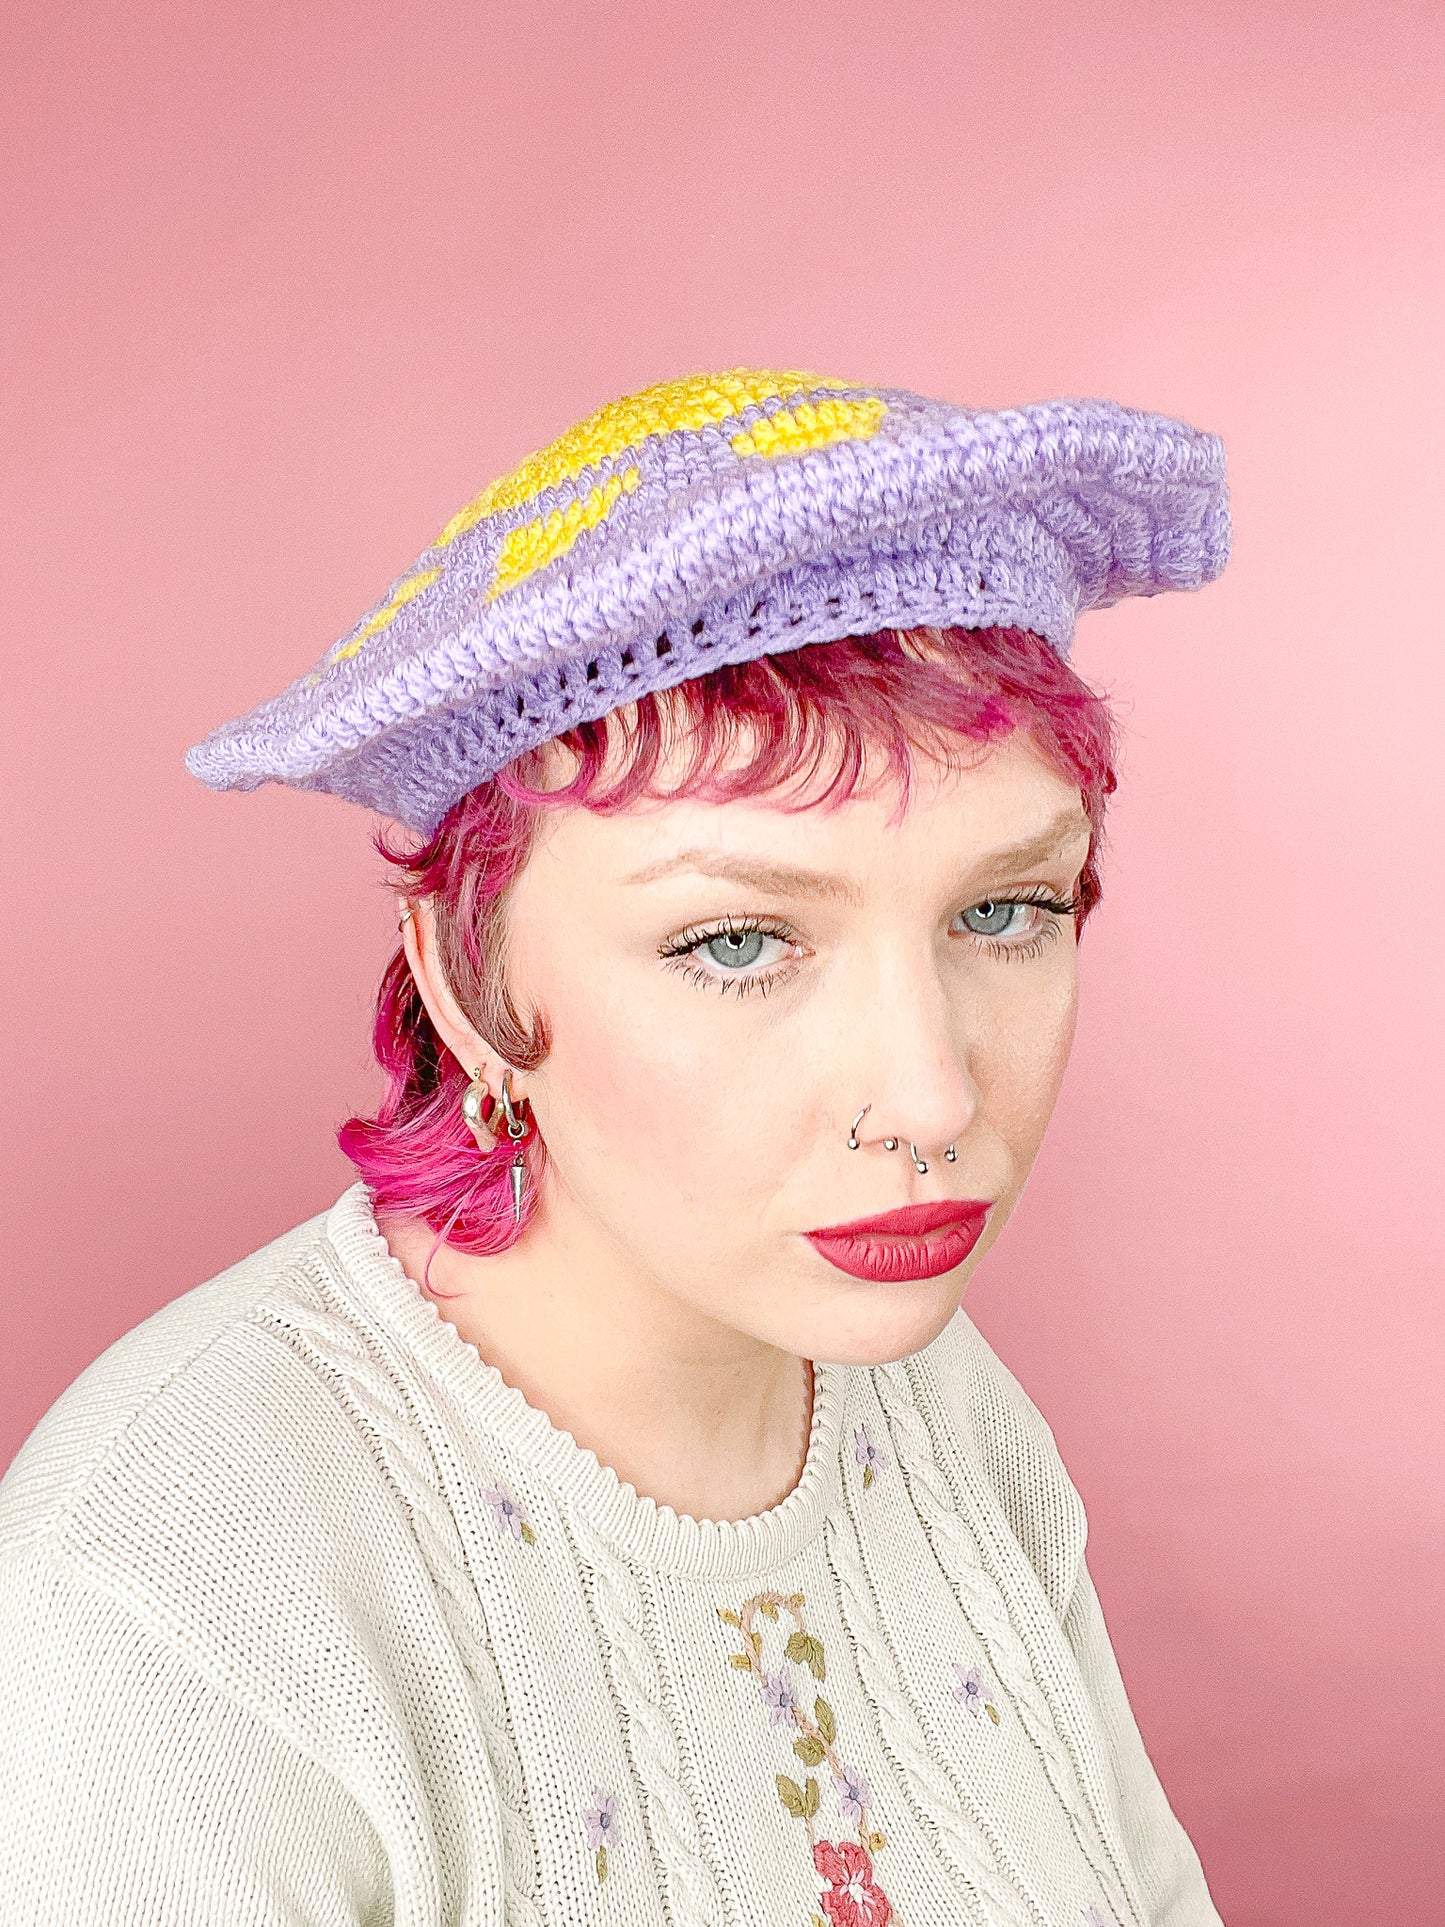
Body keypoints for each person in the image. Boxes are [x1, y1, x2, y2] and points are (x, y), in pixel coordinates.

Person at [0, 369, 1231, 1925]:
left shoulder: (936, 1404)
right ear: (467, 974)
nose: (930, 1101)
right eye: (734, 942)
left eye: (1003, 910)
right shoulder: (174, 1592)